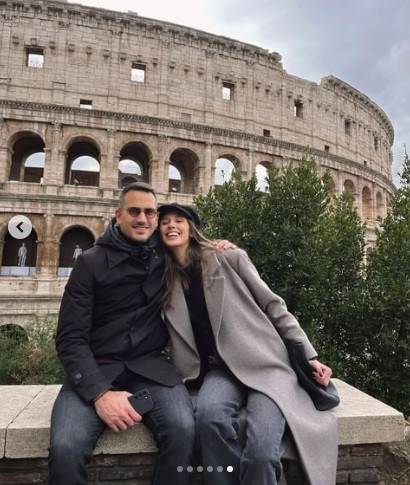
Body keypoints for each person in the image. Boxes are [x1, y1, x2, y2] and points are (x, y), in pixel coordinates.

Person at [158, 203, 338, 485]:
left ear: (191, 229)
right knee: (208, 419)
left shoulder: (228, 258)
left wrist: (309, 355)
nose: (171, 225)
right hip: (220, 372)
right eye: (165, 221)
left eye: (179, 220)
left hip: (265, 366)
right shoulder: (164, 279)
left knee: (262, 455)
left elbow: (273, 305)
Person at [48, 183, 197, 485]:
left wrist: (220, 246)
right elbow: (70, 337)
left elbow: (193, 247)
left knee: (183, 429)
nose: (142, 218)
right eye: (134, 211)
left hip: (150, 369)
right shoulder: (89, 262)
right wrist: (100, 394)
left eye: (150, 212)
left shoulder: (166, 255)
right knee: (65, 449)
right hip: (96, 369)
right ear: (118, 215)